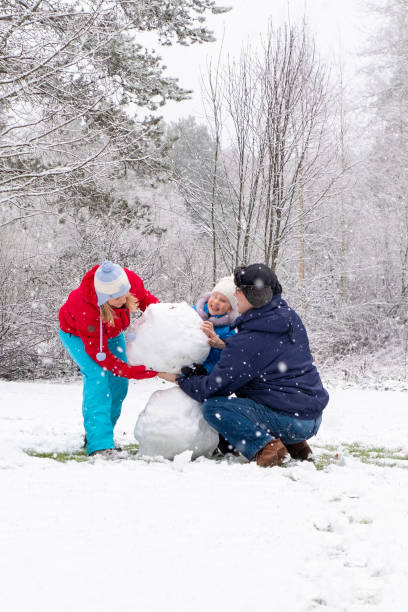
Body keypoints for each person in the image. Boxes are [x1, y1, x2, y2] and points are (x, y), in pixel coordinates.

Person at [159, 263, 329, 468]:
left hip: (291, 420)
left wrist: (182, 379)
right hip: (311, 416)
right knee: (256, 391)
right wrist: (225, 345)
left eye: (238, 290)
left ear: (253, 296)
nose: (235, 294)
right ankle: (295, 445)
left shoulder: (250, 340)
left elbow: (212, 388)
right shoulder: (287, 317)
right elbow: (265, 353)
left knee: (215, 408)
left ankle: (267, 448)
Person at [59, 260, 159, 456]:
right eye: (117, 299)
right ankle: (100, 444)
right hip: (79, 336)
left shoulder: (128, 282)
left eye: (125, 295)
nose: (124, 300)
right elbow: (105, 360)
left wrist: (170, 318)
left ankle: (101, 433)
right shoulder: (86, 309)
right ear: (103, 299)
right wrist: (145, 372)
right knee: (98, 378)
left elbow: (149, 304)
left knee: (119, 384)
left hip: (112, 333)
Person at [185, 276, 238, 376]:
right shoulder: (194, 311)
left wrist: (220, 343)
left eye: (223, 300)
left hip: (205, 373)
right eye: (214, 296)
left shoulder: (228, 329)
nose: (216, 302)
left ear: (230, 309)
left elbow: (231, 351)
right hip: (185, 363)